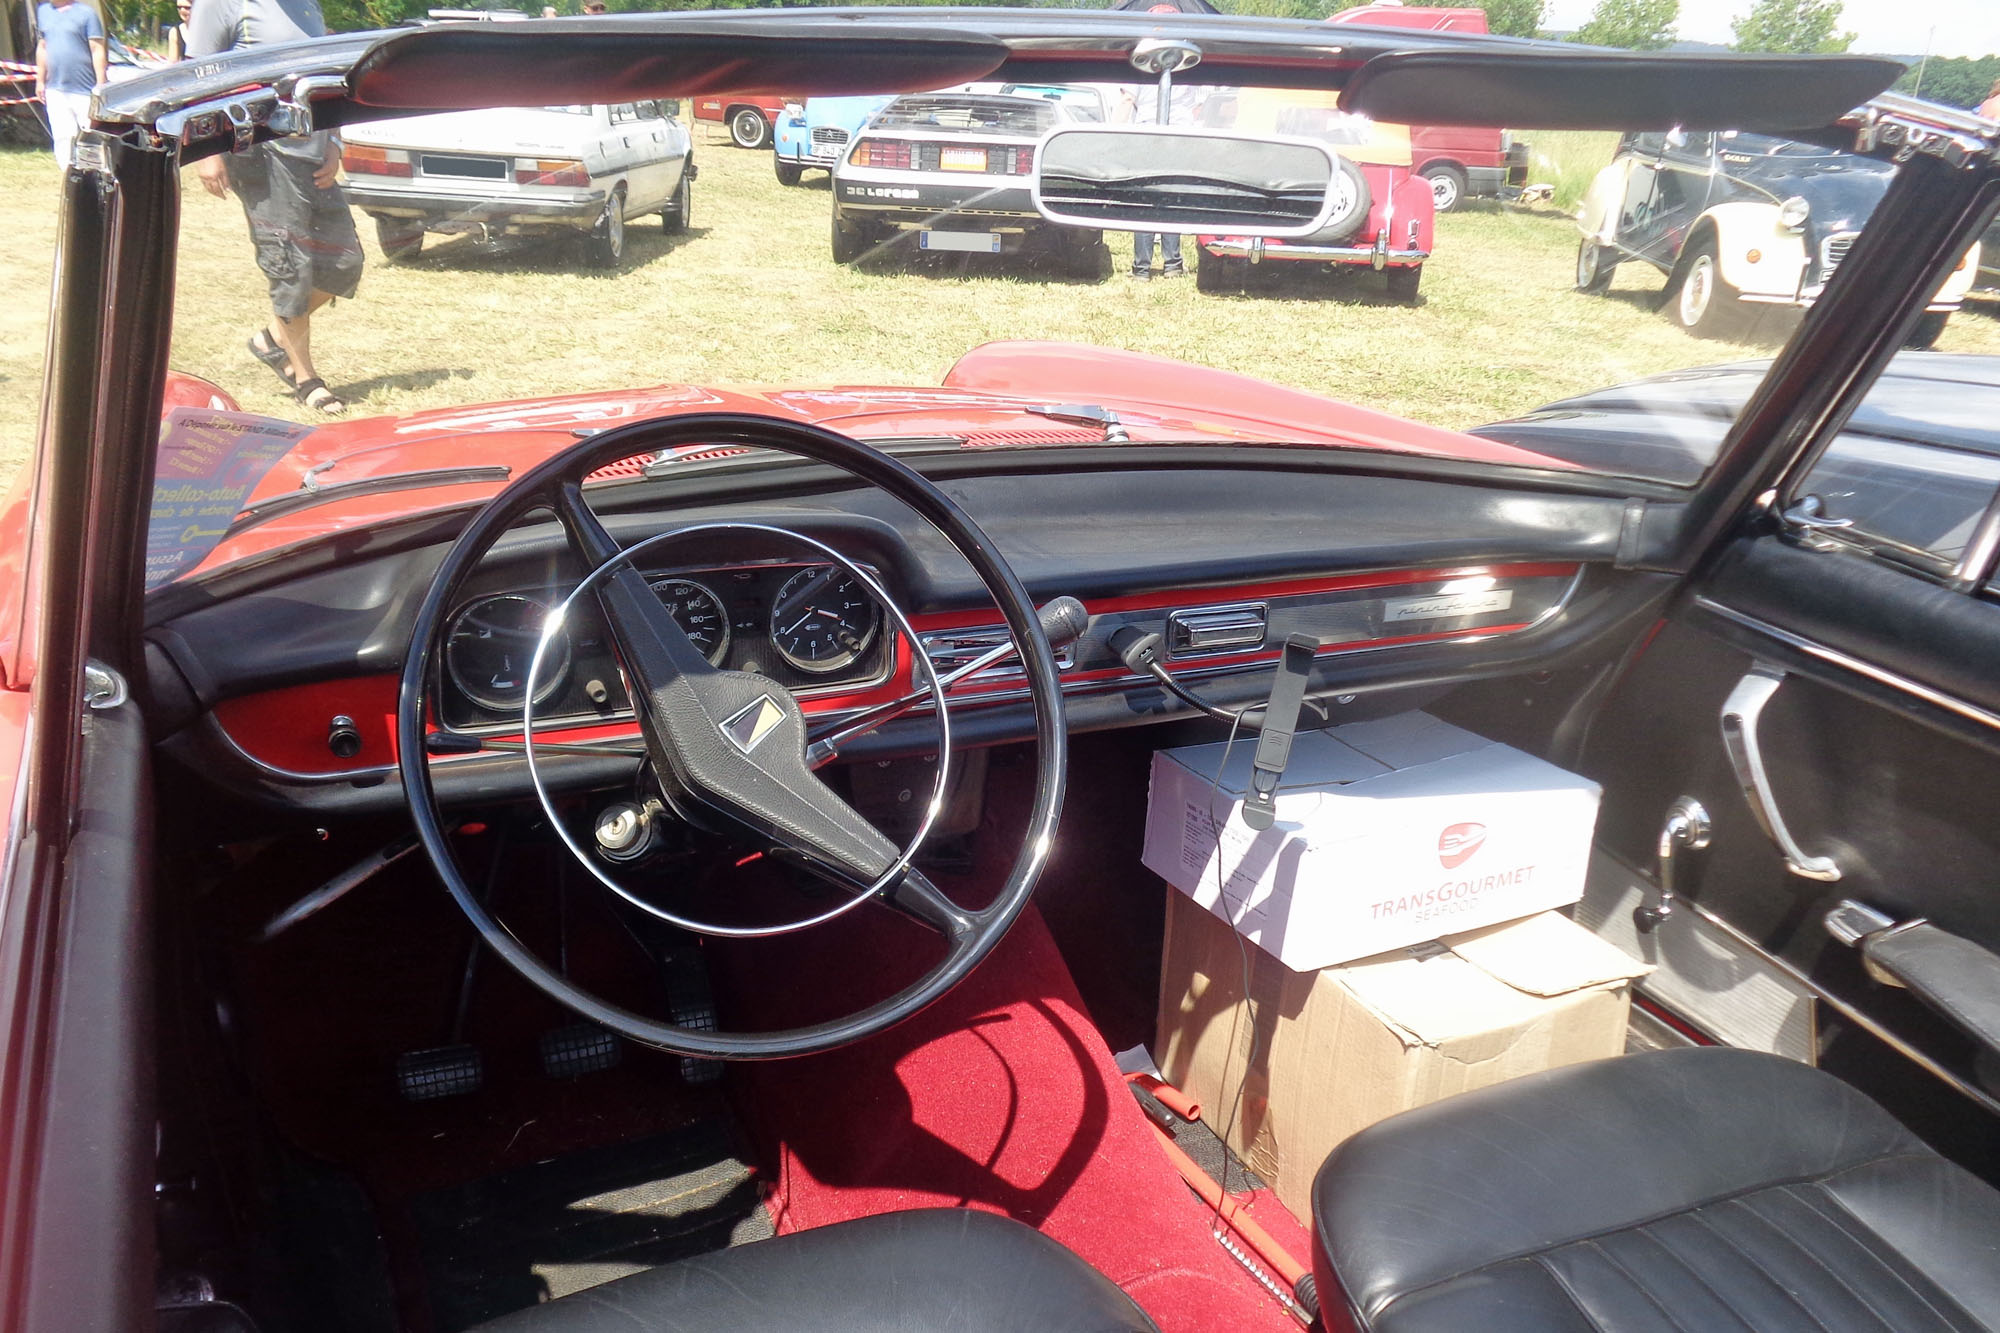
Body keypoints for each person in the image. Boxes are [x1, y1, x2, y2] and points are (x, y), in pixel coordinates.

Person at [187, 0, 363, 415]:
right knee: (291, 268)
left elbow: (324, 82)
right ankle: (307, 379)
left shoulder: (310, 7)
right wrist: (206, 152)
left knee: (344, 263)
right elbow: (194, 82)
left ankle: (271, 338)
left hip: (314, 155)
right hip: (264, 156)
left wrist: (334, 143)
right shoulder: (223, 5)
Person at [34, 0, 106, 171]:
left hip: (84, 88)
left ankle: (95, 176)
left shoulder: (87, 13)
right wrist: (40, 80)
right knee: (62, 136)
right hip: (55, 88)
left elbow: (97, 49)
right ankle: (69, 176)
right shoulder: (43, 11)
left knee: (90, 135)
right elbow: (42, 46)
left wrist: (101, 84)